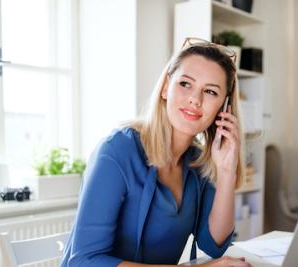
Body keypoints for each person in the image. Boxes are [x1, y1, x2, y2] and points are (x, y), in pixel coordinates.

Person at [60, 37, 251, 267]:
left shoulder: (197, 162)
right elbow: (83, 262)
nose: (195, 99)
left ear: (223, 107)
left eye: (210, 91)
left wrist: (226, 170)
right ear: (164, 88)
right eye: (185, 84)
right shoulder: (117, 151)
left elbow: (214, 244)